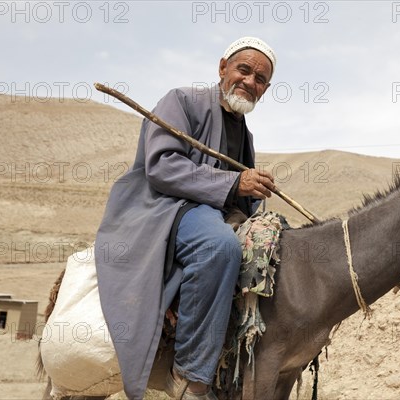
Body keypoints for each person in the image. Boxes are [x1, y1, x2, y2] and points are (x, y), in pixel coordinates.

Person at [95, 37, 277, 400]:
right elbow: (162, 166)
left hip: (212, 213)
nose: (249, 82)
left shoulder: (245, 133)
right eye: (244, 69)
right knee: (219, 245)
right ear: (223, 67)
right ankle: (189, 376)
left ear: (265, 89)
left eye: (259, 79)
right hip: (165, 207)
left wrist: (252, 197)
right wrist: (235, 181)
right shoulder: (181, 100)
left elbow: (235, 195)